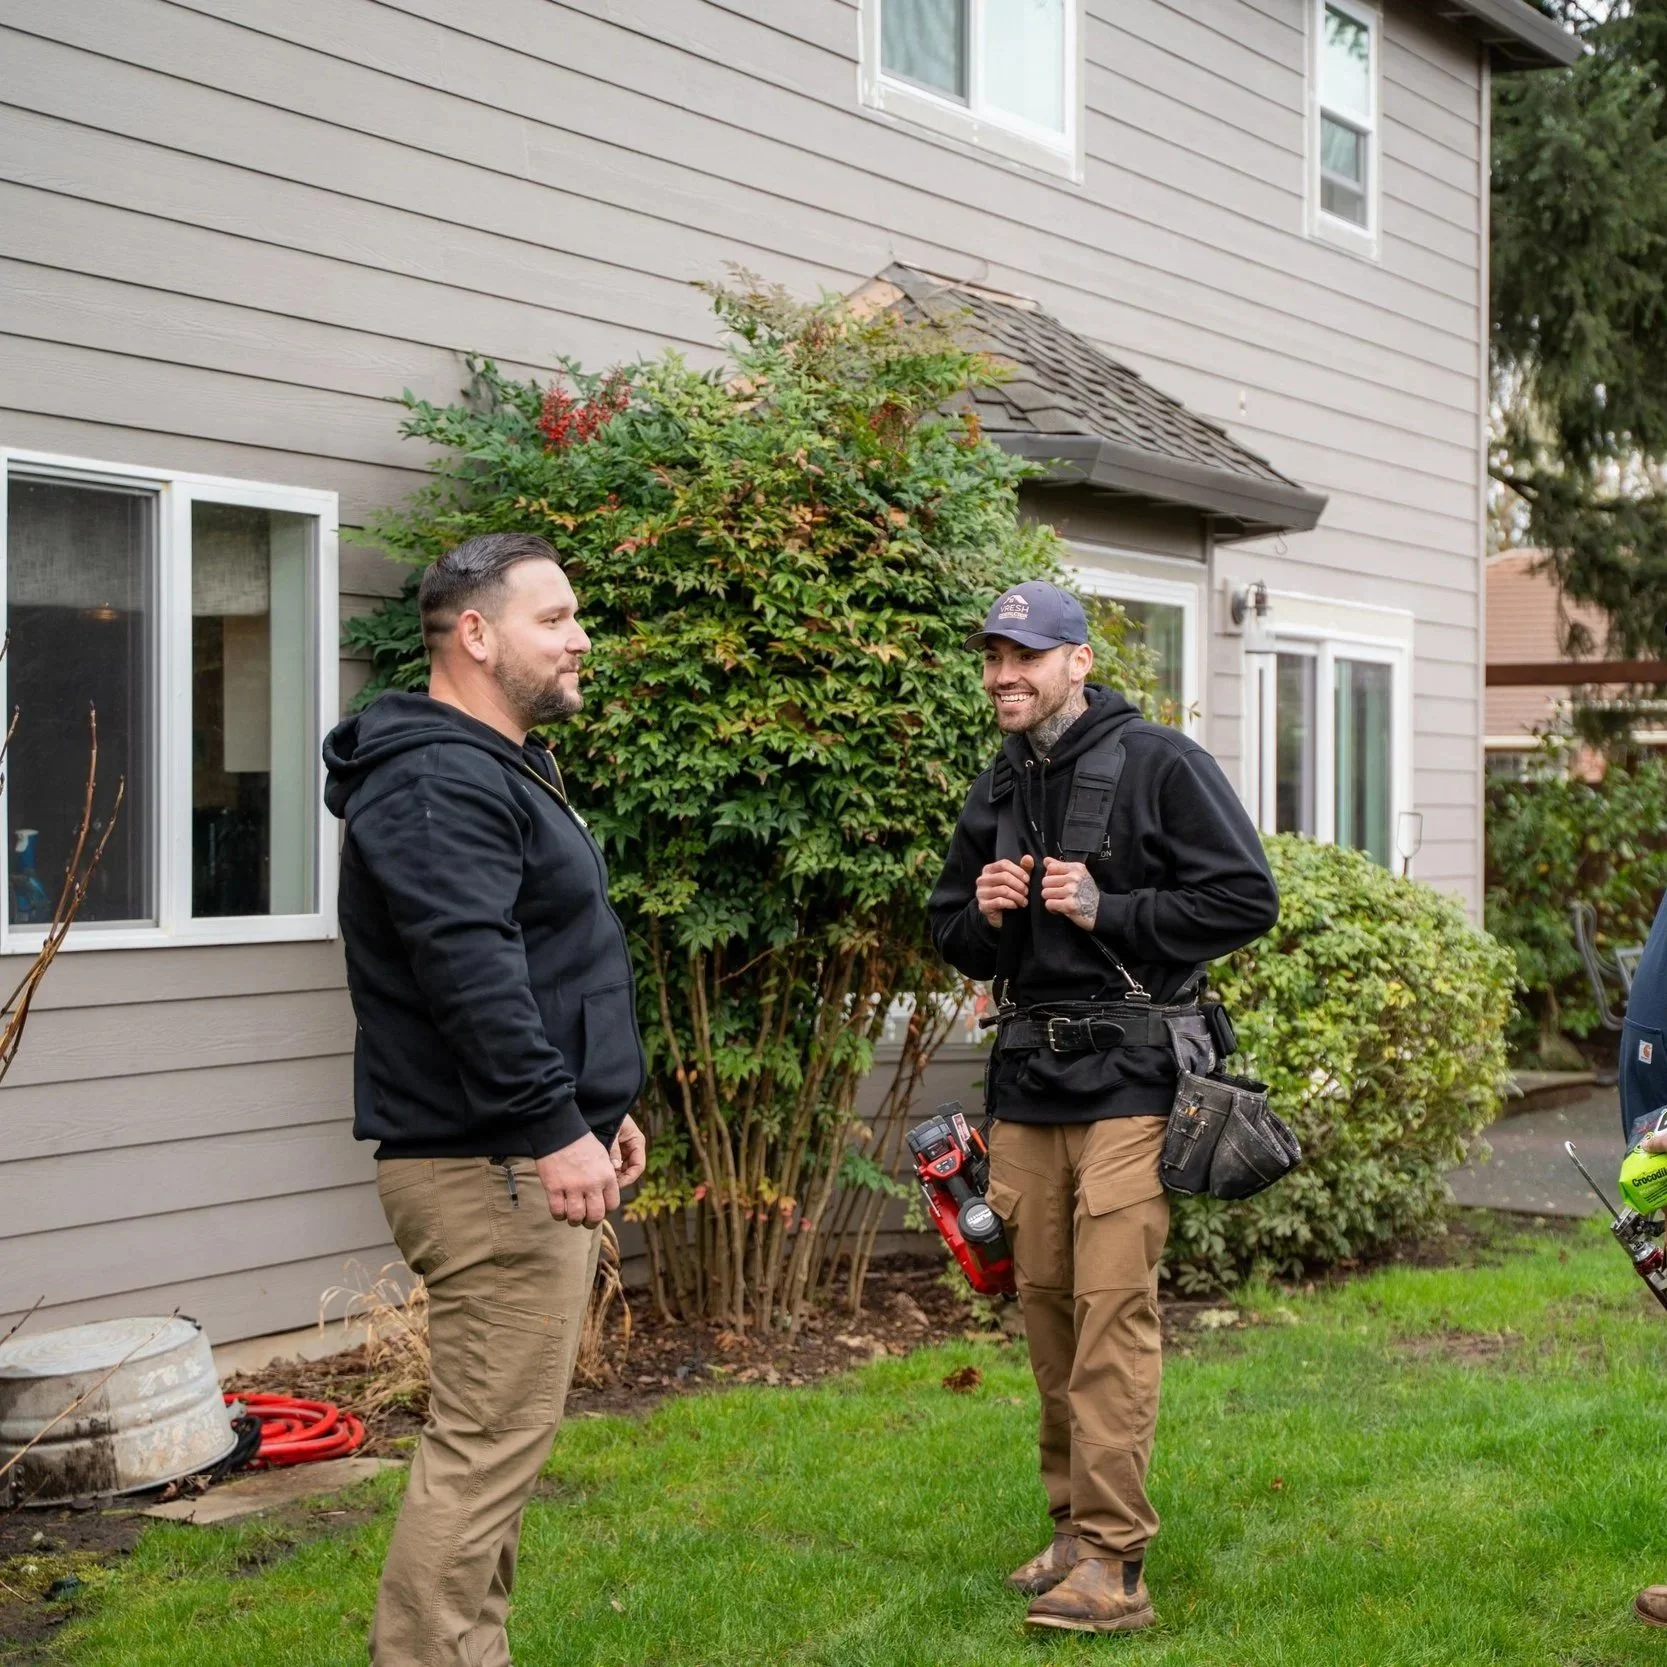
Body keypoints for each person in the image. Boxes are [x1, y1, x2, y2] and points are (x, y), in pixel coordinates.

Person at [928, 580, 1279, 1635]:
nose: (1003, 674)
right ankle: (1071, 1528)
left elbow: (1243, 896)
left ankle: (1116, 1564)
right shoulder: (995, 781)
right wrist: (979, 917)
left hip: (1132, 1079)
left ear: (1077, 661)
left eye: (1024, 655)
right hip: (1028, 1082)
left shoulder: (1160, 762)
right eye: (992, 656)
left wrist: (1106, 904)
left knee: (1110, 1316)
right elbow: (949, 929)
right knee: (1042, 1309)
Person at [323, 532, 647, 1667]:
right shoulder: (431, 777)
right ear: (474, 633)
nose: (580, 636)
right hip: (488, 1164)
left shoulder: (484, 763)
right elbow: (467, 970)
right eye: (553, 618)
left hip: (517, 1148)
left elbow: (540, 959)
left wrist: (595, 1104)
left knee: (499, 1445)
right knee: (483, 1446)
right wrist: (552, 1125)